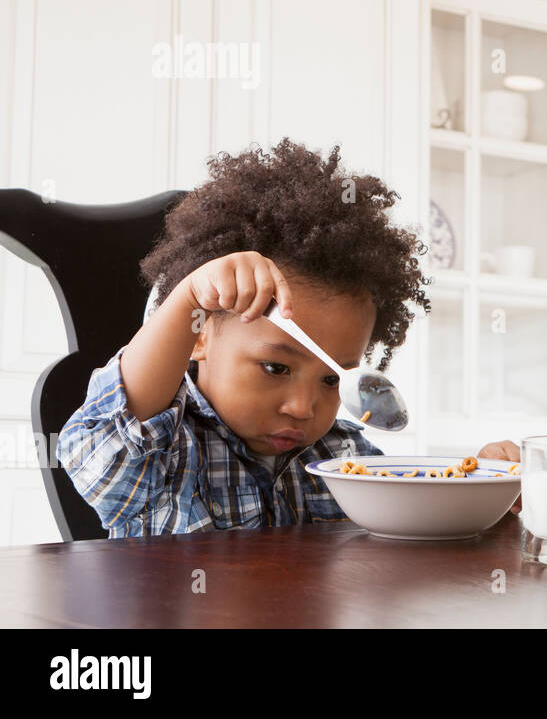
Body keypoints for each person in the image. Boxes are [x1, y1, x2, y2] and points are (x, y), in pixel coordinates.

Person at [58, 138, 520, 537]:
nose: (303, 408)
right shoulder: (164, 455)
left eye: (332, 380)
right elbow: (105, 442)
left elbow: (410, 528)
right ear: (198, 337)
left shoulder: (343, 455)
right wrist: (187, 303)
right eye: (276, 367)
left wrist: (484, 487)